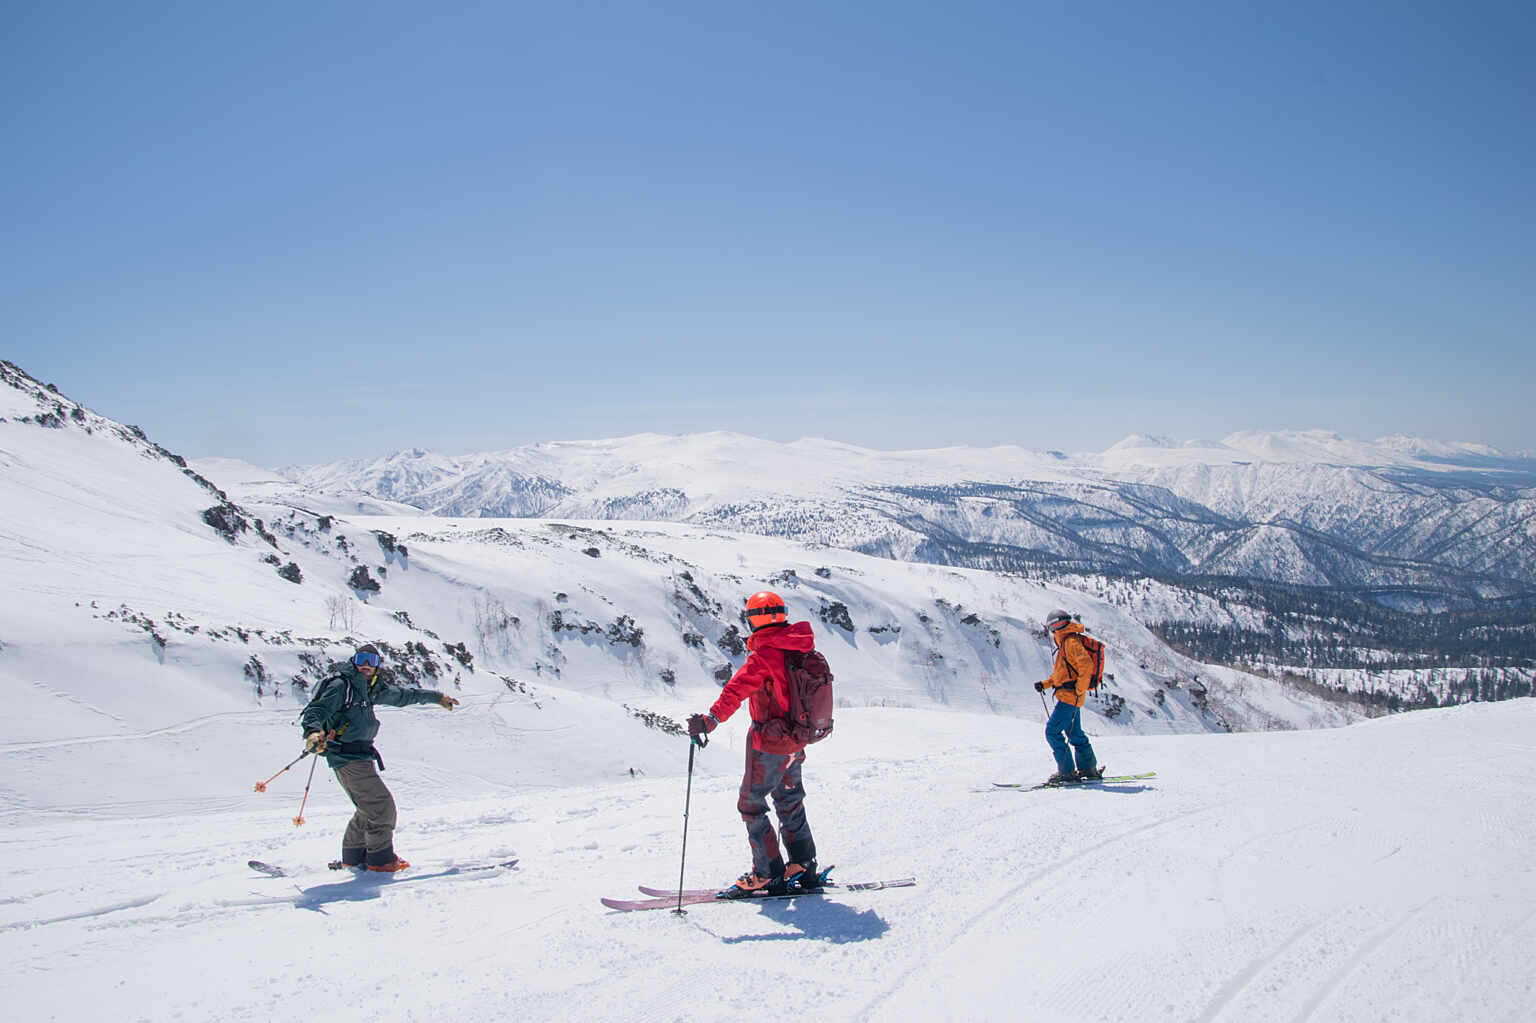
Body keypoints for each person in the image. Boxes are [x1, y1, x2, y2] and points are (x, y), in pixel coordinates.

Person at [688, 591, 821, 897]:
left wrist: (710, 720)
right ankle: (802, 864)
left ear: (755, 620)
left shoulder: (765, 655)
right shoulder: (800, 649)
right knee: (789, 800)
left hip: (770, 745)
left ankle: (766, 872)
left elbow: (735, 691)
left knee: (751, 803)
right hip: (796, 741)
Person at [301, 643, 459, 872]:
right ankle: (380, 860)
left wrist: (437, 697)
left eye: (372, 661)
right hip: (346, 756)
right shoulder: (342, 685)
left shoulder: (370, 688)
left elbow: (404, 696)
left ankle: (354, 857)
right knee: (381, 807)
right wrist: (313, 732)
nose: (366, 665)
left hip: (360, 755)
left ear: (377, 666)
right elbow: (317, 710)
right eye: (362, 659)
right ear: (354, 661)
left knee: (368, 808)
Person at [1034, 610, 1103, 784]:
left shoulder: (1070, 642)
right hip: (1071, 697)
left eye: (1056, 626)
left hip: (1069, 698)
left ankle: (1067, 772)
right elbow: (1061, 676)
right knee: (1076, 734)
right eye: (1053, 627)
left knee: (1052, 732)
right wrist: (1045, 684)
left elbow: (1086, 665)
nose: (1054, 629)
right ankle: (1088, 769)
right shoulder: (1066, 642)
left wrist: (1079, 689)